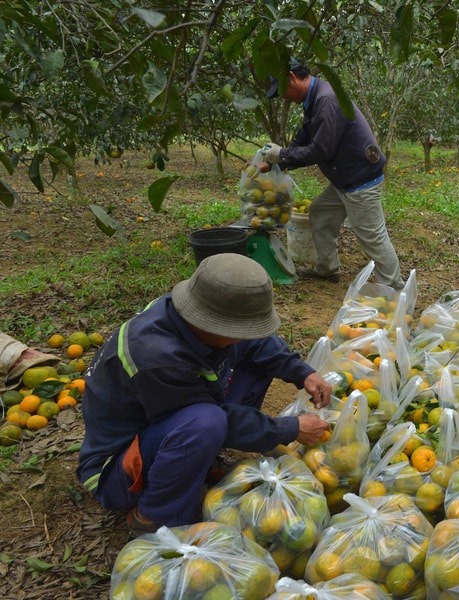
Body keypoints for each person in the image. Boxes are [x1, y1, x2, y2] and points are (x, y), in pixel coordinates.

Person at [76, 253, 333, 532]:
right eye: (241, 329)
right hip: (118, 471)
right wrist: (288, 428)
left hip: (162, 424)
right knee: (204, 423)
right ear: (211, 323)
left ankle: (196, 462)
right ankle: (153, 516)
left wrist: (302, 372)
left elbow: (257, 345)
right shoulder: (156, 358)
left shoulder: (193, 317)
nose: (245, 335)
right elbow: (215, 418)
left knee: (251, 367)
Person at [259, 58, 403, 290]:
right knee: (321, 213)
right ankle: (327, 269)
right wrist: (277, 162)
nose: (283, 97)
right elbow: (305, 136)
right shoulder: (314, 98)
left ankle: (394, 288)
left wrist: (282, 154)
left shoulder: (326, 99)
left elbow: (320, 149)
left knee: (372, 237)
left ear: (292, 78)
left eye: (282, 90)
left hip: (360, 180)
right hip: (344, 179)